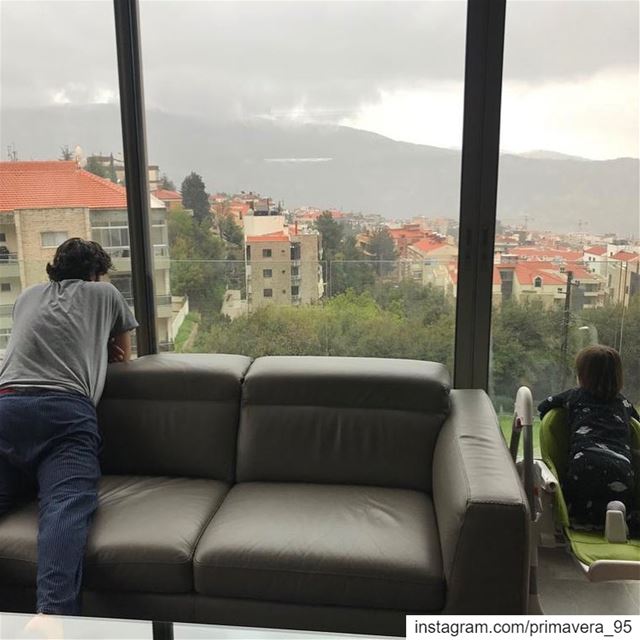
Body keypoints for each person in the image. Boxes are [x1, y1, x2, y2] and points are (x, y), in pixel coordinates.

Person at [0, 238, 138, 625]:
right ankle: (52, 616)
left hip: (7, 405)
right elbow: (124, 355)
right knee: (64, 506)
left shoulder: (27, 296)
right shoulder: (105, 293)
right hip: (63, 412)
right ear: (97, 274)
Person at [538, 345, 639, 537]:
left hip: (584, 462)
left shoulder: (574, 396)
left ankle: (587, 519)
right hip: (621, 467)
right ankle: (621, 514)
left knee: (578, 504)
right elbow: (636, 425)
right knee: (622, 496)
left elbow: (544, 407)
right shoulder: (624, 403)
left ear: (581, 376)